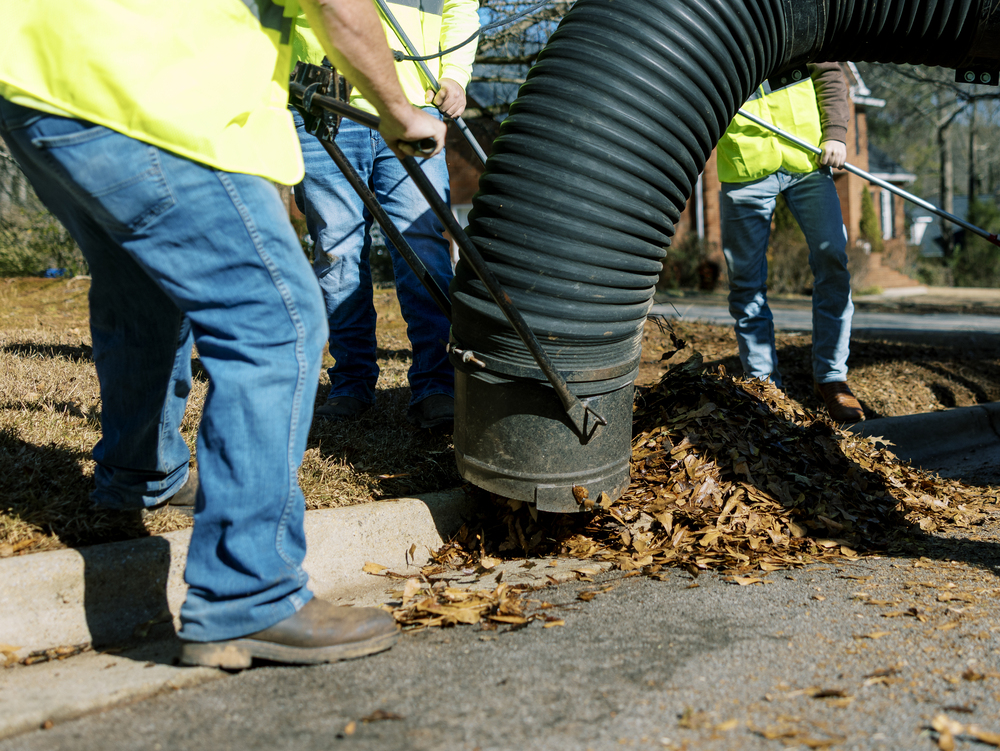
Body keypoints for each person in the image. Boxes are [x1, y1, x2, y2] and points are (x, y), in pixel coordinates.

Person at [0, 0, 445, 668]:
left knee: (141, 290)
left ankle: (141, 473)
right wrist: (399, 109)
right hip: (150, 93)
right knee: (277, 322)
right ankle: (249, 594)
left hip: (42, 83)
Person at [291, 0, 479, 430]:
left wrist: (454, 75)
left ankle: (437, 385)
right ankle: (351, 384)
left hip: (416, 105)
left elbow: (460, 8)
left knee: (423, 246)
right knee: (335, 253)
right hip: (322, 103)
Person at [717, 62, 865, 424]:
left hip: (808, 161)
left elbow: (830, 73)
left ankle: (831, 378)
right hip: (745, 167)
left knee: (833, 260)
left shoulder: (792, 10)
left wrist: (835, 134)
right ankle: (764, 386)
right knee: (745, 282)